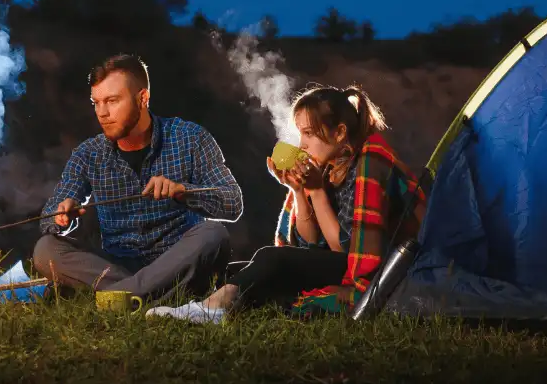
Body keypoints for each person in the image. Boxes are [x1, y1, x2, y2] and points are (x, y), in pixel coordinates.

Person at [146, 83, 427, 323]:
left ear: (339, 133)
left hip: (382, 271)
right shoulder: (328, 169)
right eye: (300, 133)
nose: (302, 144)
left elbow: (346, 250)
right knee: (239, 270)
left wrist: (315, 192)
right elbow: (308, 245)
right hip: (342, 263)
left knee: (272, 259)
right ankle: (213, 304)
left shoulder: (370, 163)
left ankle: (213, 311)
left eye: (309, 133)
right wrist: (298, 191)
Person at [32, 53, 244, 304]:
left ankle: (117, 297)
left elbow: (233, 203)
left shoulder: (190, 137)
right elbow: (49, 220)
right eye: (96, 103)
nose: (102, 112)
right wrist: (62, 215)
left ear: (142, 98)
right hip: (117, 264)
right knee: (46, 249)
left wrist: (182, 191)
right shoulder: (88, 154)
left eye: (112, 101)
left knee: (213, 233)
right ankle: (147, 296)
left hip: (179, 261)